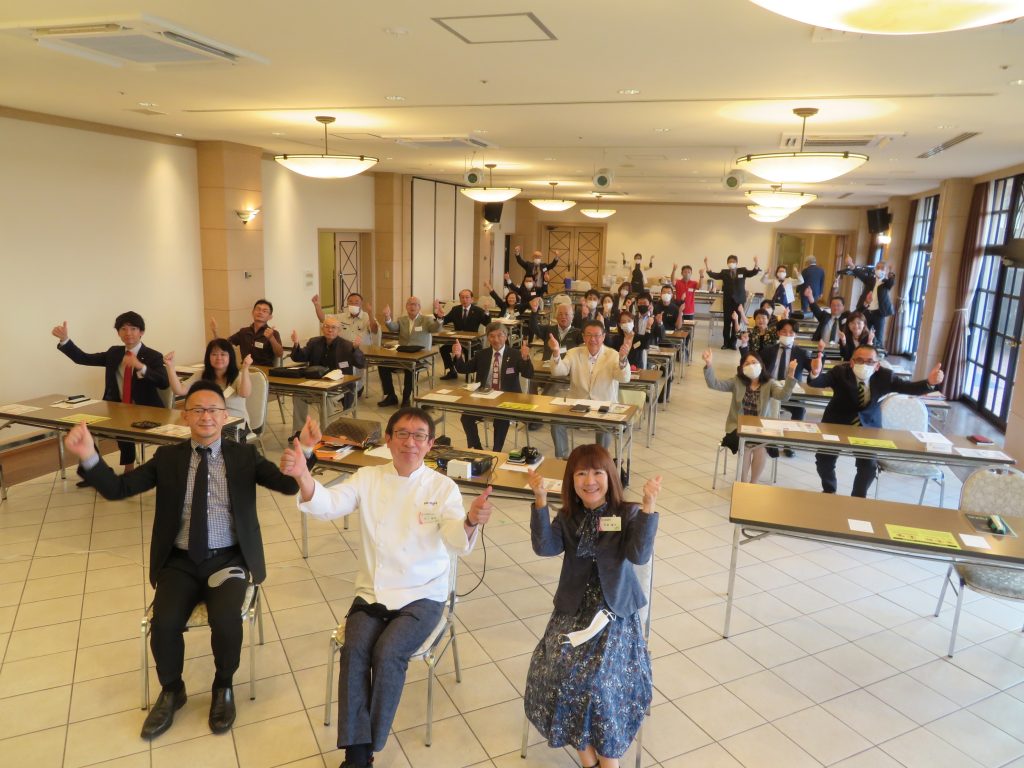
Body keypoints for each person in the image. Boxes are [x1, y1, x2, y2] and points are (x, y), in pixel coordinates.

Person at [64, 380, 319, 738]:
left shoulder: (244, 456)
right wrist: (90, 455)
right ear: (185, 416)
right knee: (164, 624)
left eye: (213, 410)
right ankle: (172, 690)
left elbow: (288, 485)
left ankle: (223, 686)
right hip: (180, 561)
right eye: (197, 409)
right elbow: (119, 488)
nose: (206, 416)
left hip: (227, 560)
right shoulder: (168, 458)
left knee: (226, 620)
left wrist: (305, 450)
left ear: (226, 416)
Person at [280, 407, 493, 768]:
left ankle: (368, 745)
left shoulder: (442, 487)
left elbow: (456, 539)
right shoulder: (368, 477)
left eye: (419, 436)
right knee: (355, 649)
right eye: (403, 434)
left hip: (423, 595)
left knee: (388, 652)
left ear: (430, 444)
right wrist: (303, 475)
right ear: (389, 440)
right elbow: (329, 504)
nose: (411, 442)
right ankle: (357, 756)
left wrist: (471, 519)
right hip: (373, 592)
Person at [523, 445, 661, 768]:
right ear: (571, 481)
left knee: (597, 683)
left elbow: (640, 555)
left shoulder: (625, 514)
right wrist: (540, 500)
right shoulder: (568, 517)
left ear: (609, 476)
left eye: (597, 472)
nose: (590, 481)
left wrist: (648, 506)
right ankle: (590, 762)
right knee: (555, 673)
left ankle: (607, 763)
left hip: (615, 612)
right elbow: (545, 548)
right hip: (574, 610)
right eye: (581, 473)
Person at [808, 345, 943, 496]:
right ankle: (829, 490)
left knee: (869, 467)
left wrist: (929, 382)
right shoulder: (840, 372)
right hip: (837, 421)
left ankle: (857, 498)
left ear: (877, 365)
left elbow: (908, 388)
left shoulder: (885, 376)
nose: (864, 365)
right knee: (824, 460)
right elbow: (819, 381)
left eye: (870, 362)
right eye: (859, 360)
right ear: (851, 362)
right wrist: (815, 373)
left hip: (867, 425)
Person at [52, 311, 169, 471]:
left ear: (141, 332)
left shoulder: (153, 356)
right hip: (115, 408)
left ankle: (129, 468)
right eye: (123, 329)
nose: (128, 333)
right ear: (118, 333)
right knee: (79, 426)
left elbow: (164, 382)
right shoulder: (114, 353)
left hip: (146, 410)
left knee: (124, 424)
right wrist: (65, 340)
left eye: (133, 328)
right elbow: (83, 358)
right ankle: (96, 468)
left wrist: (141, 367)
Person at [702, 348, 797, 484]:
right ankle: (743, 483)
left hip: (762, 429)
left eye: (754, 362)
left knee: (760, 448)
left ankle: (753, 483)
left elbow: (784, 396)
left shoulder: (769, 383)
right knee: (745, 446)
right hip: (737, 428)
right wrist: (709, 364)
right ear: (742, 368)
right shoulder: (737, 382)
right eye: (747, 364)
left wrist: (791, 374)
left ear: (761, 365)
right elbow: (714, 384)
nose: (751, 366)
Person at [548, 320, 632, 459]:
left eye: (597, 335)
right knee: (556, 421)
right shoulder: (574, 352)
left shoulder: (613, 355)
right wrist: (556, 353)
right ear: (583, 336)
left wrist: (623, 359)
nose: (593, 339)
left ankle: (600, 459)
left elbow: (624, 378)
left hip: (603, 406)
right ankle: (563, 459)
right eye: (589, 335)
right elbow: (558, 372)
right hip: (577, 405)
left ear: (603, 337)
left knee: (605, 427)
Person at [451, 322, 534, 451]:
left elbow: (528, 374)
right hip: (485, 398)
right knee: (466, 417)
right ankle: (477, 448)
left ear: (506, 336)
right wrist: (458, 355)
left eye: (499, 335)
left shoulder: (515, 354)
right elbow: (463, 369)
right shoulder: (482, 354)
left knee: (501, 419)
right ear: (488, 338)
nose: (496, 340)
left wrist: (525, 358)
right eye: (492, 336)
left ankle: (496, 452)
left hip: (507, 399)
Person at [164, 340, 252, 439]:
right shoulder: (202, 374)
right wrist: (170, 367)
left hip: (235, 424)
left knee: (209, 438)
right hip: (208, 420)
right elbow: (179, 390)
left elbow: (245, 393)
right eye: (214, 354)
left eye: (223, 354)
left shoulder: (237, 376)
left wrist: (245, 369)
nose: (218, 358)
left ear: (230, 357)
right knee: (183, 430)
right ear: (208, 357)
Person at [289, 317, 367, 430]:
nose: (330, 330)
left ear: (339, 330)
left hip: (340, 386)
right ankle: (299, 430)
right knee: (298, 395)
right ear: (322, 329)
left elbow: (361, 364)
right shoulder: (314, 342)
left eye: (333, 327)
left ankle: (326, 432)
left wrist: (356, 349)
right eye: (327, 327)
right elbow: (300, 357)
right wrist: (296, 344)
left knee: (327, 398)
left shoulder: (347, 346)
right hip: (316, 384)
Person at [759, 319, 815, 445]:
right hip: (771, 390)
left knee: (800, 409)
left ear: (795, 334)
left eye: (791, 332)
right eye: (784, 332)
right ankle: (768, 438)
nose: (787, 335)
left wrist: (816, 369)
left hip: (791, 391)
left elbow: (813, 373)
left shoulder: (801, 353)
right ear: (778, 333)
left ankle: (790, 443)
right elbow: (757, 366)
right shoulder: (768, 350)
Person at [378, 297, 441, 408]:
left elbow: (435, 328)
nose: (412, 306)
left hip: (420, 357)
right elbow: (393, 328)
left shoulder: (426, 320)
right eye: (410, 304)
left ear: (419, 307)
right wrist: (387, 317)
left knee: (410, 367)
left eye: (415, 304)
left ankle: (406, 398)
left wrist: (439, 318)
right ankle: (391, 396)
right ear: (406, 307)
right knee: (383, 365)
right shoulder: (402, 320)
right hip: (403, 355)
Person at [704, 254, 760, 349]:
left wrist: (756, 263)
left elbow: (753, 272)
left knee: (736, 322)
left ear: (737, 263)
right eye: (729, 261)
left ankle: (733, 343)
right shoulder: (724, 272)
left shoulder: (742, 271)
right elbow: (713, 275)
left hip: (739, 302)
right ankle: (726, 343)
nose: (731, 263)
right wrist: (706, 264)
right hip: (728, 301)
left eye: (733, 261)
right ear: (727, 263)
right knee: (727, 323)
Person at [433, 289, 490, 380]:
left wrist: (486, 312)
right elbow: (444, 321)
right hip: (457, 341)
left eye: (467, 297)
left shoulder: (478, 311)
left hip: (473, 341)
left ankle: (468, 374)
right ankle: (452, 371)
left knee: (468, 350)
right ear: (460, 299)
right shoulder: (455, 309)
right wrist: (438, 314)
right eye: (462, 297)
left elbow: (487, 323)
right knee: (443, 349)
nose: (464, 300)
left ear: (472, 299)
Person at [840, 257, 896, 344]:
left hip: (879, 313)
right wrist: (851, 264)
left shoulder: (886, 283)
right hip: (866, 311)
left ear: (886, 271)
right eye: (878, 267)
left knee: (878, 337)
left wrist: (891, 272)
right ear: (875, 269)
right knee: (864, 334)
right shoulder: (870, 279)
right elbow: (860, 274)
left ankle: (877, 351)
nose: (879, 270)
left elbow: (891, 283)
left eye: (882, 268)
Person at [212, 299, 284, 367]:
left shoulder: (273, 333)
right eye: (258, 309)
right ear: (252, 313)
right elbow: (223, 346)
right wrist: (215, 332)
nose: (260, 312)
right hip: (245, 369)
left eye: (264, 311)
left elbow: (279, 354)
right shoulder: (244, 332)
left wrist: (271, 338)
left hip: (263, 371)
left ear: (270, 317)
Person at [312, 292, 381, 347]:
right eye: (350, 302)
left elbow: (374, 330)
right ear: (347, 304)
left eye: (356, 302)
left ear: (361, 304)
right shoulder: (341, 316)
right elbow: (323, 319)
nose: (353, 304)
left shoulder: (367, 316)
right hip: (344, 351)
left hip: (363, 351)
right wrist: (317, 305)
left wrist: (370, 313)